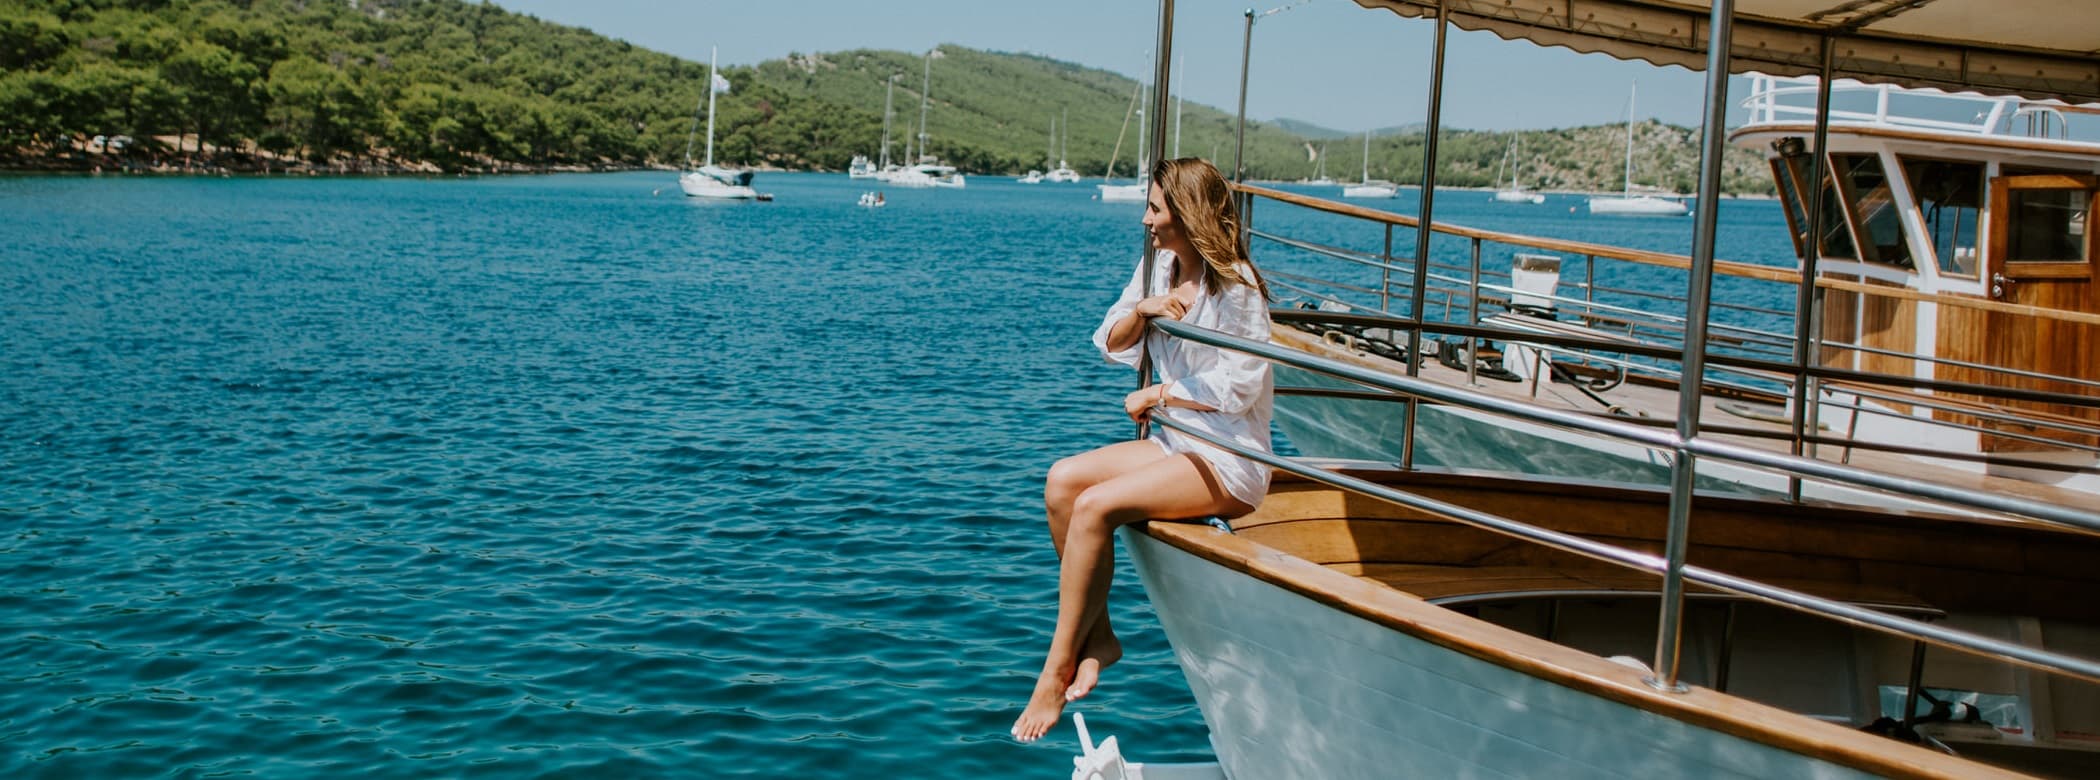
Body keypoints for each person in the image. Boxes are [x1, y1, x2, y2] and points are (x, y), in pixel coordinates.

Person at [1011, 157, 1274, 743]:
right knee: (1062, 483)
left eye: (1155, 208)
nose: (1147, 220)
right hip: (1177, 442)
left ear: (1187, 213)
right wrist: (1143, 310)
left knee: (1095, 506)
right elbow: (1108, 340)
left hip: (1228, 461)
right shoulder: (1158, 266)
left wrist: (1161, 393)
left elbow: (1240, 386)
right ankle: (1100, 636)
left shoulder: (1236, 287)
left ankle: (1054, 671)